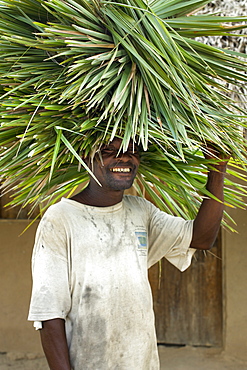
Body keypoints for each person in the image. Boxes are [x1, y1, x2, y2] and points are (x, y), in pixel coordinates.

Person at [28, 137, 229, 370]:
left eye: (132, 151)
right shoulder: (60, 219)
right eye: (108, 150)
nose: (124, 157)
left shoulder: (141, 210)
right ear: (85, 158)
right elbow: (49, 314)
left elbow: (201, 238)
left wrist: (217, 170)